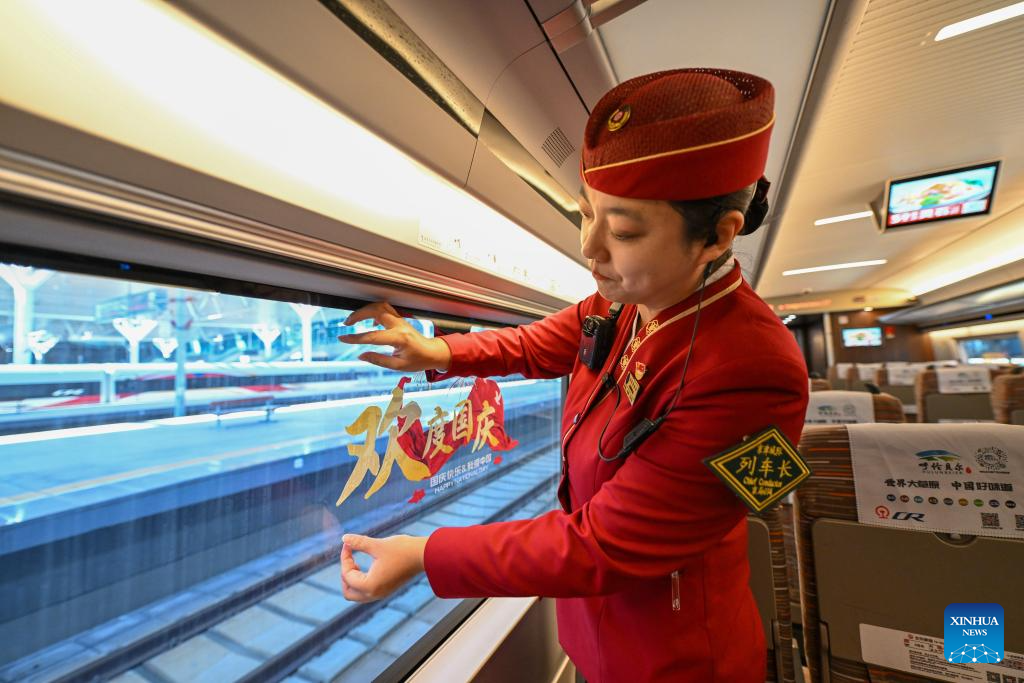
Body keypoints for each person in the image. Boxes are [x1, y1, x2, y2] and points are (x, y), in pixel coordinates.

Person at [336, 68, 808, 682]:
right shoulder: (625, 300)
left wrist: (427, 553)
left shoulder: (754, 372)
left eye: (624, 230)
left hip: (674, 656)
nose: (591, 248)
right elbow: (539, 343)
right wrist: (440, 354)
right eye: (586, 215)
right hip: (593, 628)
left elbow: (603, 545)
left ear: (716, 238)